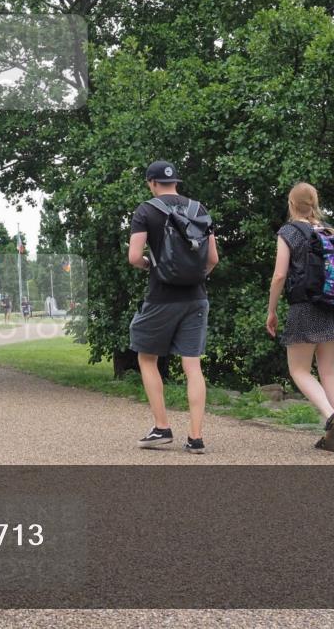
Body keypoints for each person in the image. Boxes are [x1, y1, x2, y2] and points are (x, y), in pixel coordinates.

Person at [128, 160, 219, 453]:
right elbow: (213, 258)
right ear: (175, 182)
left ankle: (162, 427)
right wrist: (193, 276)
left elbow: (133, 256)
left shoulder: (146, 210)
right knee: (192, 365)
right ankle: (195, 437)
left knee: (147, 358)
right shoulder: (198, 210)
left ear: (151, 183)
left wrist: (152, 267)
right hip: (197, 296)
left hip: (161, 297)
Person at [266, 182, 334, 452]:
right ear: (314, 203)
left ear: (292, 204)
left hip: (306, 308)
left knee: (299, 370)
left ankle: (331, 417)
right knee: (328, 370)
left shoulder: (289, 231)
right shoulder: (330, 231)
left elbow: (280, 275)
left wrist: (271, 310)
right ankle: (332, 436)